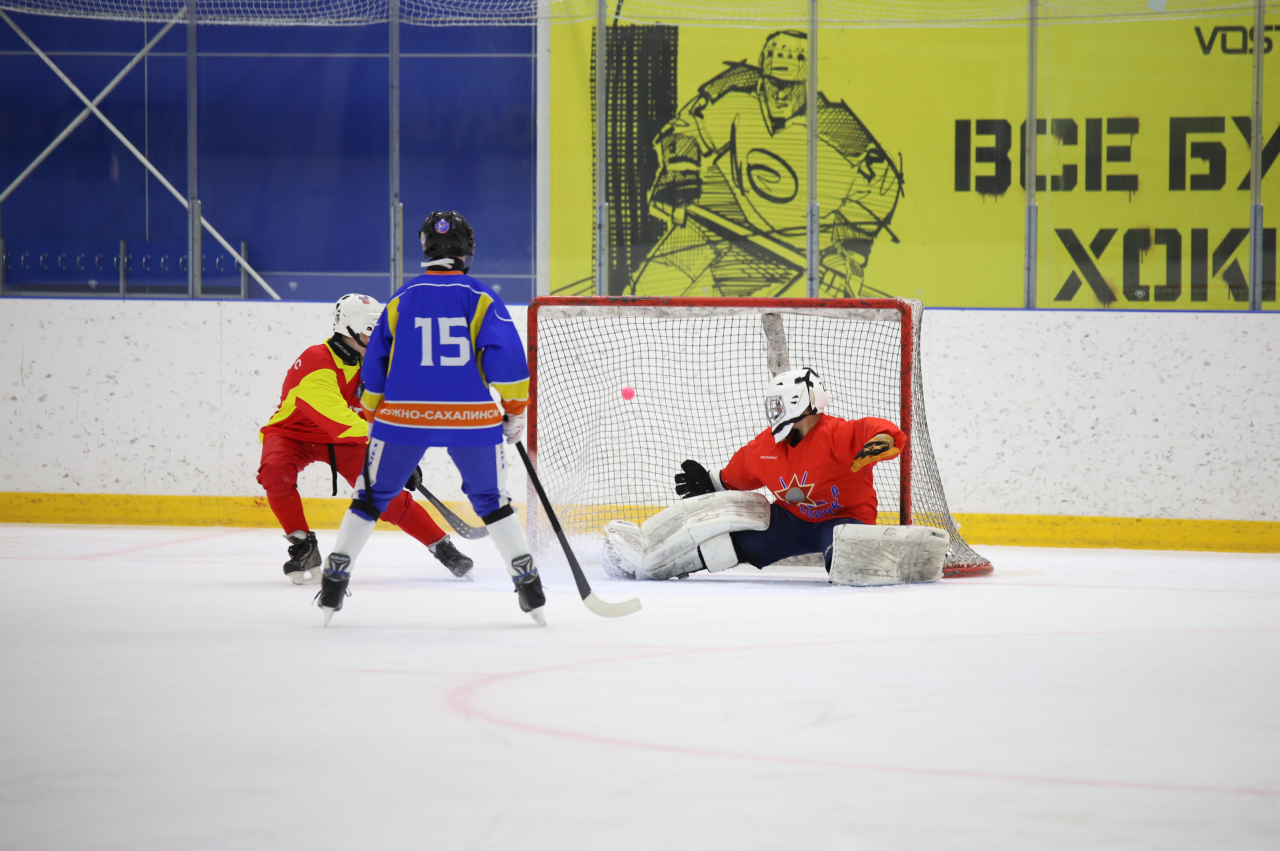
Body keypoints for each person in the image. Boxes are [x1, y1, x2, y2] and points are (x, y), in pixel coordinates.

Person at [316, 211, 544, 625]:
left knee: (370, 497)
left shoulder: (401, 300)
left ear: (425, 249)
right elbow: (510, 366)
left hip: (403, 418)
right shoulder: (482, 297)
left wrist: (371, 411)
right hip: (470, 418)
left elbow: (375, 370)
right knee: (492, 501)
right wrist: (513, 413)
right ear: (467, 251)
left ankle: (335, 577)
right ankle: (528, 584)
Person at [633, 30, 903, 298]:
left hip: (781, 249)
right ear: (763, 75)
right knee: (647, 289)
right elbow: (685, 128)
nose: (780, 95)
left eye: (791, 86)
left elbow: (881, 185)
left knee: (724, 317)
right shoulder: (738, 90)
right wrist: (680, 177)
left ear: (809, 82)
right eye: (774, 83)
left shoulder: (842, 132)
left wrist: (848, 255)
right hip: (717, 217)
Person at [603, 367, 906, 580]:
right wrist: (709, 480)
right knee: (724, 545)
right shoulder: (766, 446)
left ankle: (882, 559)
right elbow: (736, 475)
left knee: (846, 560)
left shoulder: (837, 434)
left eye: (778, 403)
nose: (773, 411)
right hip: (791, 521)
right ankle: (653, 567)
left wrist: (883, 441)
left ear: (799, 400)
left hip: (845, 518)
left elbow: (876, 430)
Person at [257, 293, 472, 584]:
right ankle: (303, 544)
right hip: (294, 434)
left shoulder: (377, 364)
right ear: (346, 329)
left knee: (386, 497)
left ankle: (442, 547)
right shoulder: (315, 360)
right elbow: (338, 421)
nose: (378, 337)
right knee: (275, 473)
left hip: (348, 439)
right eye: (369, 330)